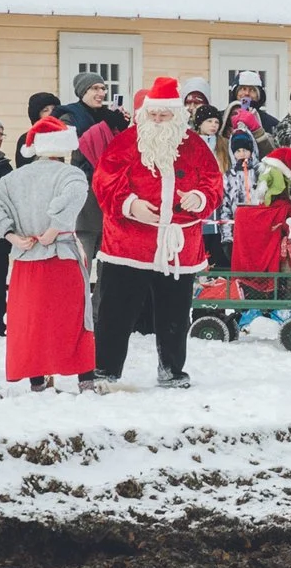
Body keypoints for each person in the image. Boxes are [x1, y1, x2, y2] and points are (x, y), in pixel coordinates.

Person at [89, 77, 221, 388]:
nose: (159, 121)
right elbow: (104, 180)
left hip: (177, 245)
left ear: (177, 115)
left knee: (174, 313)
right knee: (116, 312)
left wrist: (200, 197)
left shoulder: (195, 146)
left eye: (165, 115)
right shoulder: (125, 142)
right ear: (144, 114)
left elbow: (213, 183)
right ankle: (106, 368)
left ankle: (171, 369)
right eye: (154, 115)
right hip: (128, 244)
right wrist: (130, 204)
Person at [0, 120, 94, 393]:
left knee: (32, 322)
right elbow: (75, 196)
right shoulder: (70, 174)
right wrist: (54, 229)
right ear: (63, 146)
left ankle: (37, 381)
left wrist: (11, 236)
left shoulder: (16, 177)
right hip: (61, 255)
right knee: (74, 319)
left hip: (26, 258)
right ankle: (85, 379)